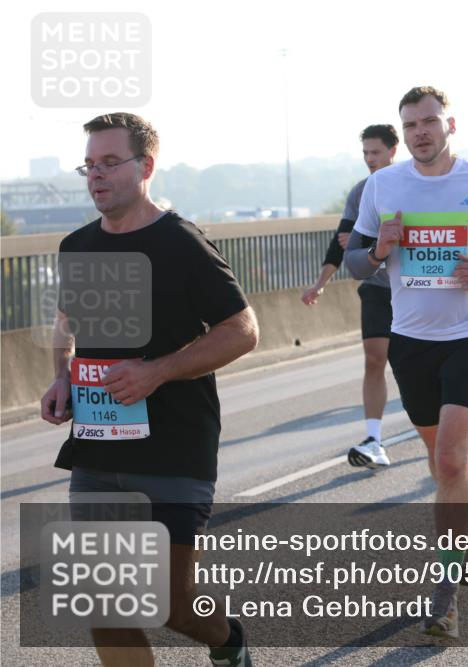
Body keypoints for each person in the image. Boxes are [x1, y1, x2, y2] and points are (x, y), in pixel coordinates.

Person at [41, 113, 259, 666]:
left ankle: (229, 642)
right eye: (89, 164)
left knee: (169, 605)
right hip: (96, 447)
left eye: (110, 162)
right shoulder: (77, 246)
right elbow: (66, 323)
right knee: (104, 604)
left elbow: (243, 331)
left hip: (173, 446)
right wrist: (60, 374)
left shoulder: (180, 243)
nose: (96, 174)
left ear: (146, 166)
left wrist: (156, 371)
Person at [345, 86, 468, 639]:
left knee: (451, 461)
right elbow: (356, 262)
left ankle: (445, 599)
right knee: (439, 461)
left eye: (428, 122)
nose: (420, 132)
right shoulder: (384, 185)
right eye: (410, 125)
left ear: (449, 124)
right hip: (410, 338)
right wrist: (380, 249)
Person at [302, 125, 398, 468]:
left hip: (413, 288)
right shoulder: (361, 192)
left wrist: (367, 244)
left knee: (411, 364)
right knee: (375, 358)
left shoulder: (411, 185)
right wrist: (320, 284)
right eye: (366, 154)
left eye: (376, 153)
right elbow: (341, 240)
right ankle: (374, 439)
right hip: (375, 286)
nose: (370, 160)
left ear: (392, 151)